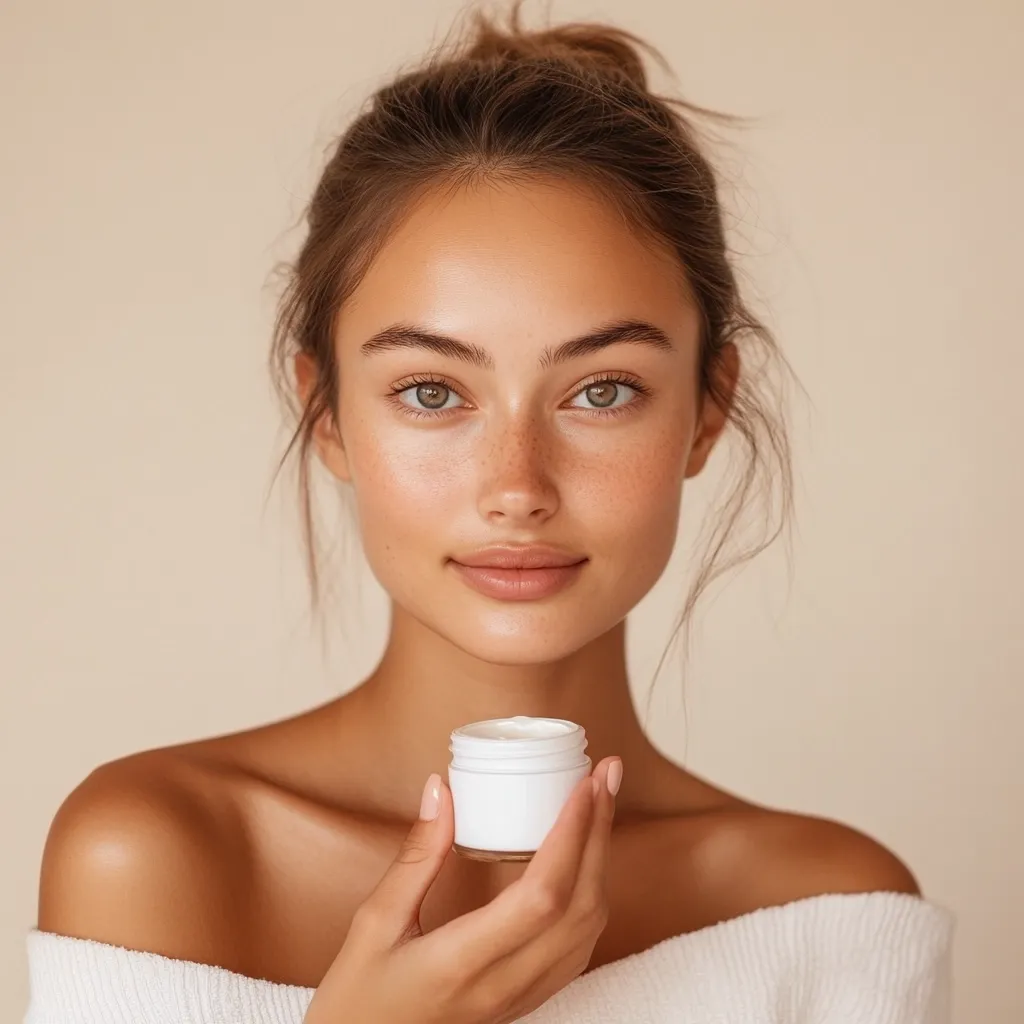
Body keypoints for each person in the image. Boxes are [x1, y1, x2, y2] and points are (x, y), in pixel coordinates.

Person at [23, 5, 954, 1023]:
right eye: (432, 392)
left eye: (601, 390)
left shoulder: (825, 910)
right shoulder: (157, 852)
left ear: (707, 409)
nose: (517, 485)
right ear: (326, 411)